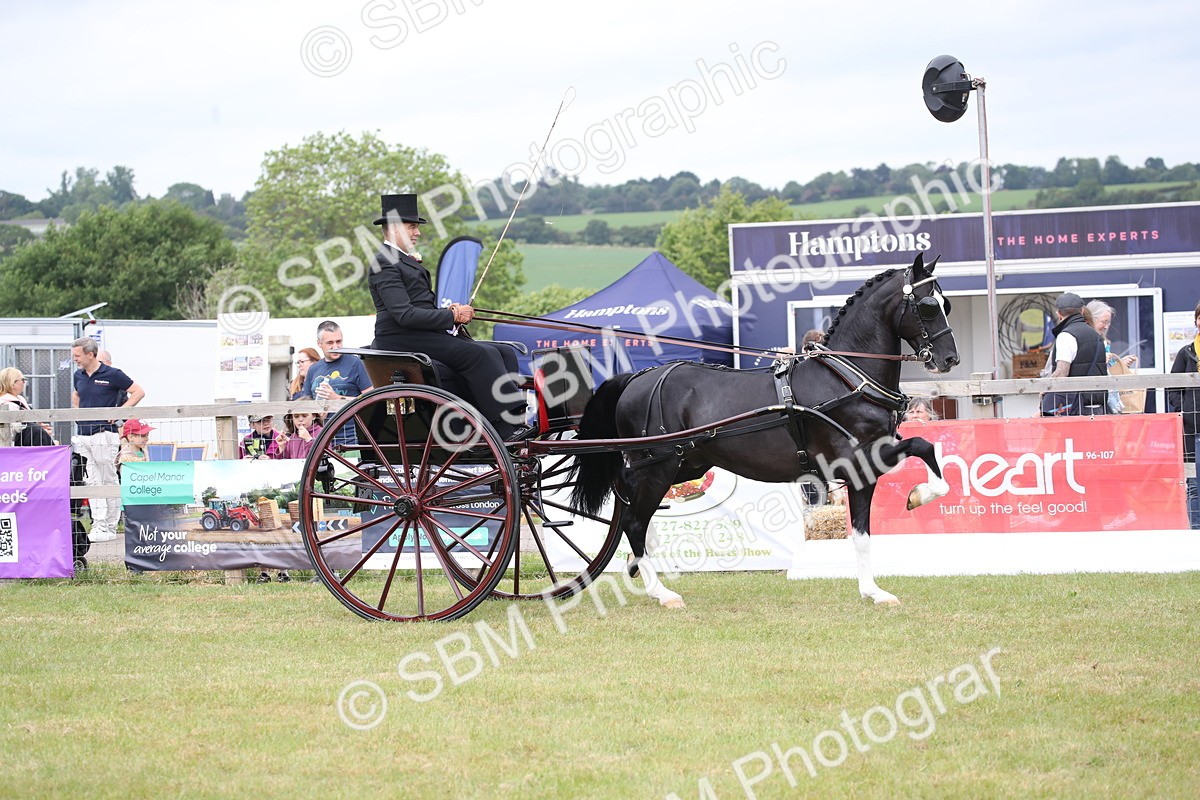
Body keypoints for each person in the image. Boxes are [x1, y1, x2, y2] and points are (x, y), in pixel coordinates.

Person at [366, 193, 529, 440]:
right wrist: (451, 316)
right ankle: (502, 426)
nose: (417, 233)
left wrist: (449, 311)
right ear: (394, 228)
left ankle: (506, 419)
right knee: (478, 354)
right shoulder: (384, 263)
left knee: (502, 351)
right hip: (401, 338)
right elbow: (405, 315)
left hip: (420, 334)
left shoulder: (401, 260)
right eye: (412, 227)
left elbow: (418, 307)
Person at [71, 337, 145, 543]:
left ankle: (110, 525)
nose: (74, 359)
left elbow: (138, 391)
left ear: (90, 354)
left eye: (77, 355)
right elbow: (76, 395)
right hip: (83, 434)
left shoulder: (113, 374)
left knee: (108, 479)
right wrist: (78, 413)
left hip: (104, 433)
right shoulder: (78, 375)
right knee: (92, 481)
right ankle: (99, 524)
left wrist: (120, 411)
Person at [302, 321, 372, 448]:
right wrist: (317, 414)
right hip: (322, 439)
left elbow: (371, 400)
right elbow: (306, 403)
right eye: (330, 343)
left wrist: (338, 399)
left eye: (339, 341)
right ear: (319, 344)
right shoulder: (313, 369)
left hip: (352, 438)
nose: (336, 346)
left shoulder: (355, 363)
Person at [1040, 293, 1107, 417]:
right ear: (1081, 311)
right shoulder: (1095, 335)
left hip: (1076, 406)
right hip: (1097, 403)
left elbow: (1062, 372)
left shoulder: (1066, 336)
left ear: (1058, 314)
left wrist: (1045, 388)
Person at [1167, 300, 1200, 530]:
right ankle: (1196, 525)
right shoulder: (1186, 352)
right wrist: (1184, 410)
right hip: (1192, 424)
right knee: (1193, 478)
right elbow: (1172, 386)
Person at [1086, 300, 1140, 414]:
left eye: (1109, 322)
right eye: (1104, 322)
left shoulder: (1104, 342)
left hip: (1106, 398)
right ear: (1091, 319)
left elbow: (1107, 370)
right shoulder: (1085, 341)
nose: (1106, 326)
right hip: (1092, 399)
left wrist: (1120, 364)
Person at [0, 367, 56, 446]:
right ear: (13, 384)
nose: (24, 383)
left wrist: (39, 428)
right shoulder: (7, 405)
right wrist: (37, 432)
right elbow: (13, 432)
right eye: (22, 380)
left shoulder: (20, 399)